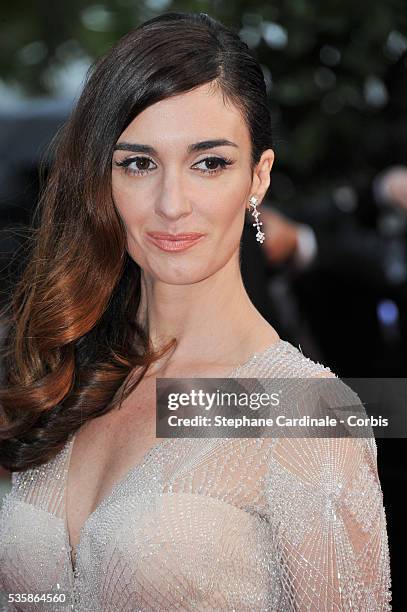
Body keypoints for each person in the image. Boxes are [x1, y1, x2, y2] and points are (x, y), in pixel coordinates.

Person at [0, 12, 392, 611]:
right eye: (139, 163)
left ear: (258, 177)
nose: (171, 204)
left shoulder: (304, 412)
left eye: (209, 163)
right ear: (101, 180)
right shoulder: (58, 367)